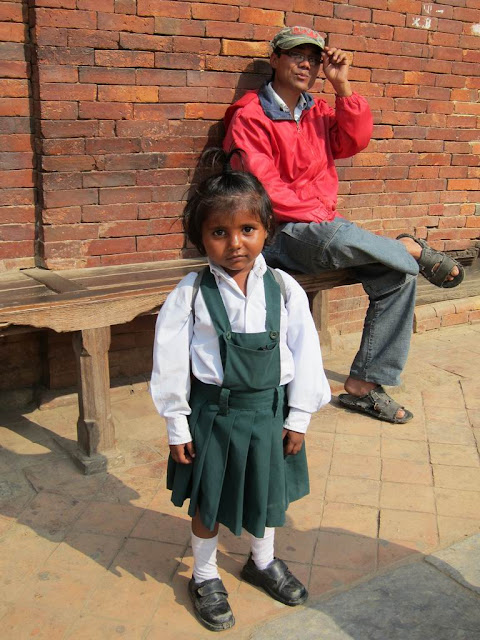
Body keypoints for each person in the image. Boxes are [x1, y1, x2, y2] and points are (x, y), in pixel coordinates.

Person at [223, 25, 464, 424]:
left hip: (321, 228)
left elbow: (355, 140)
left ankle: (364, 385)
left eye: (314, 58)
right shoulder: (250, 115)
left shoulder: (317, 111)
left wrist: (342, 86)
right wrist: (315, 214)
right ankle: (408, 247)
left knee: (399, 275)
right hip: (276, 233)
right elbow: (261, 189)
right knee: (339, 235)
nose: (306, 64)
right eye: (296, 55)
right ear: (275, 59)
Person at [150, 149, 331, 632]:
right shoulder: (191, 293)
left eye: (247, 229)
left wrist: (298, 417)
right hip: (214, 415)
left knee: (265, 492)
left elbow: (306, 355)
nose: (235, 243)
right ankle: (205, 574)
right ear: (200, 239)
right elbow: (169, 362)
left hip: (269, 412)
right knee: (208, 497)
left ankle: (262, 560)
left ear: (267, 229)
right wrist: (176, 423)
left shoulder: (285, 289)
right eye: (219, 232)